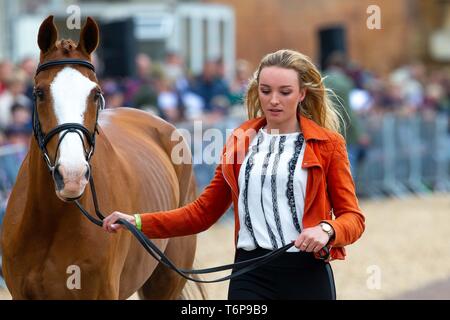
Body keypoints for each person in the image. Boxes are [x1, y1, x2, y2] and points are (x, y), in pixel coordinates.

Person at [102, 49, 365, 300]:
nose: (273, 100)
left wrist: (327, 229)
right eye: (265, 91)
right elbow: (202, 213)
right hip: (250, 275)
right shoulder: (240, 141)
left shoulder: (328, 145)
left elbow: (353, 218)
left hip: (306, 274)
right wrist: (136, 222)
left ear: (302, 94)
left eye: (285, 92)